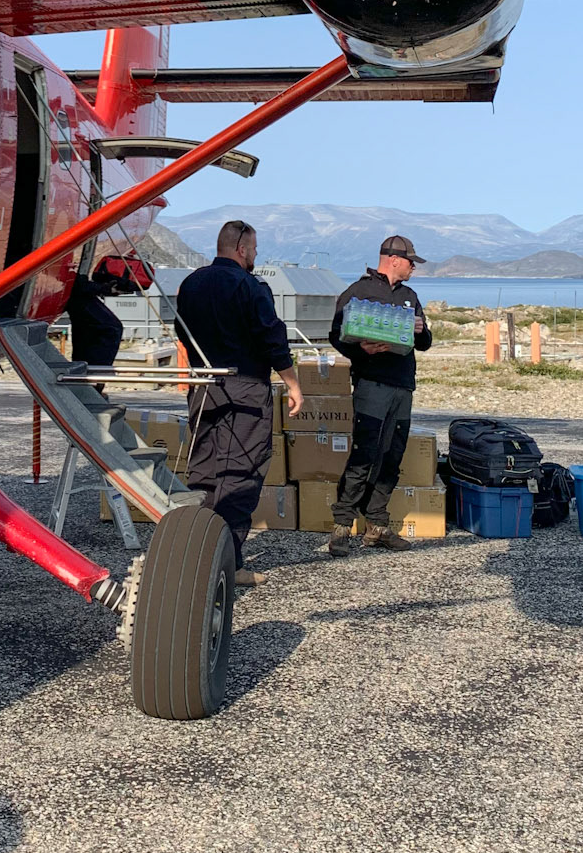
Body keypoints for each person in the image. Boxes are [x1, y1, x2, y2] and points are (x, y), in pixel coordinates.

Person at [174, 222, 303, 586]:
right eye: (255, 250)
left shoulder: (191, 283)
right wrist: (293, 384)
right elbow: (271, 338)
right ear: (242, 249)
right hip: (245, 386)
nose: (256, 256)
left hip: (203, 386)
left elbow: (180, 329)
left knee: (204, 471)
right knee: (240, 473)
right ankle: (228, 564)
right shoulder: (251, 287)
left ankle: (196, 554)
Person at [325, 234, 433, 556]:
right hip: (372, 384)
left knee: (391, 457)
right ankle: (342, 527)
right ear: (394, 259)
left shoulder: (409, 295)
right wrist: (362, 350)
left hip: (403, 386)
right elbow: (336, 335)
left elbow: (426, 342)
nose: (414, 266)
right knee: (364, 453)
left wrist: (421, 330)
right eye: (411, 261)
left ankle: (377, 525)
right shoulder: (357, 292)